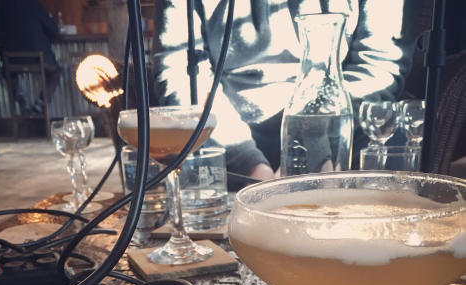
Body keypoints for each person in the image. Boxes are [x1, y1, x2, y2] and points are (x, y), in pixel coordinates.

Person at [153, 0, 418, 182]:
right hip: (226, 131)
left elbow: (379, 64)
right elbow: (181, 73)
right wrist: (250, 166)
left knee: (393, 145)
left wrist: (315, 141)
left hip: (338, 121)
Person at [0, 0, 61, 114]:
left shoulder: (3, 6)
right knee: (55, 72)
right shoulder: (33, 4)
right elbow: (54, 30)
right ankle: (39, 104)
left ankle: (22, 101)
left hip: (11, 60)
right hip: (38, 59)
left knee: (6, 73)